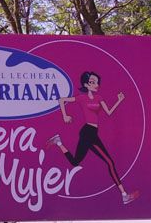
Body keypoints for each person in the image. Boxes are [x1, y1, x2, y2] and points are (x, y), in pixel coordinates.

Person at [48, 70, 139, 205]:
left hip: (92, 133)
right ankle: (124, 195)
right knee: (109, 162)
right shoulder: (82, 98)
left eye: (96, 82)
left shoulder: (99, 98)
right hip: (87, 132)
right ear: (86, 84)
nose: (95, 84)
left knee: (75, 162)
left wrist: (119, 101)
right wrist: (65, 115)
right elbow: (62, 100)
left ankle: (58, 142)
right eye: (92, 82)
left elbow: (108, 112)